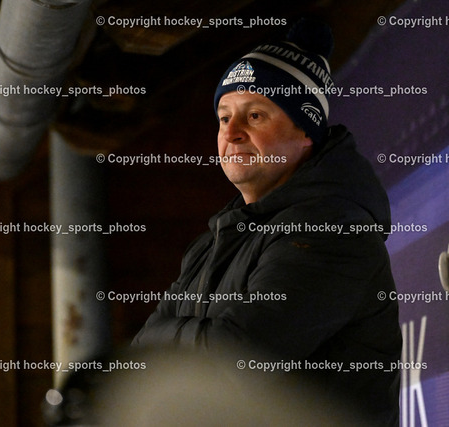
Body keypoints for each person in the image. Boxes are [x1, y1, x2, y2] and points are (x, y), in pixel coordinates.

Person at [133, 18, 402, 425]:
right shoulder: (217, 239)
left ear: (305, 129)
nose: (232, 133)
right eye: (224, 117)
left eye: (255, 115)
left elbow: (236, 358)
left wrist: (171, 340)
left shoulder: (332, 229)